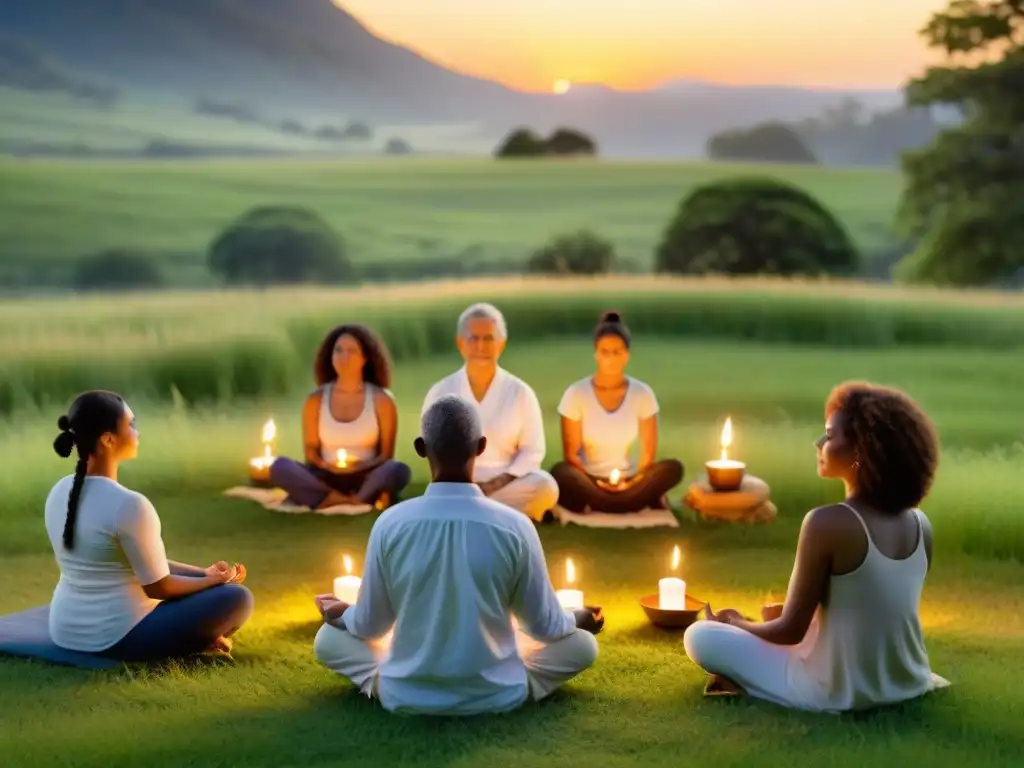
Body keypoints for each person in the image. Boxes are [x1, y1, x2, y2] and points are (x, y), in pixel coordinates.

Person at [312, 394, 604, 715]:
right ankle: (511, 685)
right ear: (480, 446)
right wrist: (577, 616)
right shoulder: (515, 526)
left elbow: (370, 627)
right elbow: (544, 627)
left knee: (328, 638)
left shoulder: (390, 523)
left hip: (405, 693)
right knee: (582, 644)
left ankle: (395, 681)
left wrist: (342, 614)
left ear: (421, 448)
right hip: (498, 694)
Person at [682, 381, 949, 713]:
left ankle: (749, 670)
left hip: (835, 690)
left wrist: (737, 623)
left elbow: (789, 631)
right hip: (906, 680)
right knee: (772, 626)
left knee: (700, 635)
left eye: (829, 435)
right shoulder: (921, 524)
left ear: (860, 453)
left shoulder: (827, 522)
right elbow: (873, 611)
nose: (818, 442)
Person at [44, 390, 253, 662]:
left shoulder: (59, 491)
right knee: (237, 598)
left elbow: (136, 561)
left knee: (215, 593)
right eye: (130, 425)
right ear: (108, 439)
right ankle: (196, 641)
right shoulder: (130, 505)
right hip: (115, 638)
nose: (137, 432)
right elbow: (158, 587)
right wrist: (212, 582)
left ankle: (199, 638)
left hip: (65, 631)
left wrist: (203, 574)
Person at [420, 302, 558, 522]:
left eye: (489, 338)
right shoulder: (441, 391)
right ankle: (494, 514)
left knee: (546, 487)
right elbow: (431, 449)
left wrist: (494, 485)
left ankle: (467, 514)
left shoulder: (520, 393)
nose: (481, 346)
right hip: (457, 487)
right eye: (473, 338)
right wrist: (466, 486)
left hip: (506, 485)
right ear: (460, 344)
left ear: (501, 344)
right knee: (446, 496)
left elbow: (532, 452)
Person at [550, 310, 684, 513]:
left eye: (617, 352)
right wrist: (597, 484)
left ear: (627, 355)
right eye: (605, 351)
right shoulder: (576, 393)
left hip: (630, 479)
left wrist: (631, 483)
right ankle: (632, 502)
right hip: (588, 479)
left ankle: (609, 502)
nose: (611, 358)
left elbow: (648, 455)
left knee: (673, 468)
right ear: (596, 353)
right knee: (560, 473)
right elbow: (572, 455)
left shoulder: (642, 394)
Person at [270, 324, 412, 511]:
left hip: (366, 475)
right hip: (326, 475)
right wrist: (326, 465)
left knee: (397, 470)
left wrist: (359, 466)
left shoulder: (381, 400)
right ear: (331, 357)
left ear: (365, 358)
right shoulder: (315, 399)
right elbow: (311, 453)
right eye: (338, 351)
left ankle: (343, 499)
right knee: (280, 467)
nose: (344, 358)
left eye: (352, 351)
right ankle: (344, 498)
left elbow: (386, 456)